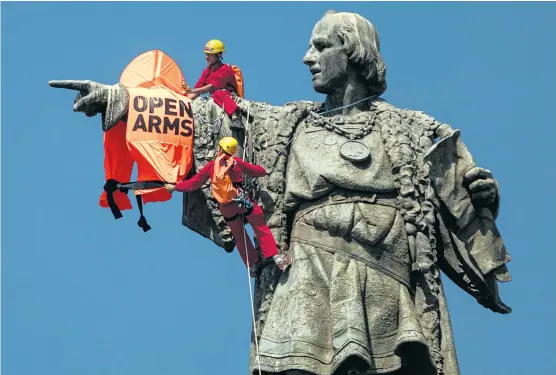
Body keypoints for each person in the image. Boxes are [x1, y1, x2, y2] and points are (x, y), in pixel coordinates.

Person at [165, 136, 291, 276]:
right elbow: (256, 171)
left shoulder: (211, 167)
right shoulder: (236, 162)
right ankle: (276, 257)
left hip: (226, 208)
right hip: (241, 200)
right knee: (260, 226)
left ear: (220, 148)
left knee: (239, 236)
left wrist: (175, 187)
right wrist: (264, 170)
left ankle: (253, 265)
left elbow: (194, 183)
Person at [187, 39, 244, 130]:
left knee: (218, 93)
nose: (206, 57)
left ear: (218, 55)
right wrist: (184, 100)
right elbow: (198, 89)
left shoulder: (225, 69)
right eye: (206, 54)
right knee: (214, 95)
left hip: (227, 95)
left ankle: (236, 118)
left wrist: (191, 90)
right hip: (215, 96)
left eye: (210, 54)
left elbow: (212, 87)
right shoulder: (207, 71)